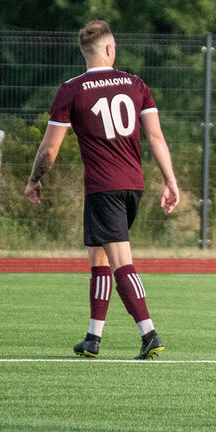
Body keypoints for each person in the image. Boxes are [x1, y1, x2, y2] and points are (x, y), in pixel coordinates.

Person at [24, 20, 180, 360]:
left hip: (102, 187)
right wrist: (170, 180)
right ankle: (93, 338)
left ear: (85, 52)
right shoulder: (136, 84)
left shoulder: (72, 89)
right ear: (109, 49)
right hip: (132, 185)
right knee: (99, 255)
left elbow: (49, 149)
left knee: (121, 260)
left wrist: (35, 178)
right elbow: (155, 137)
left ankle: (149, 333)